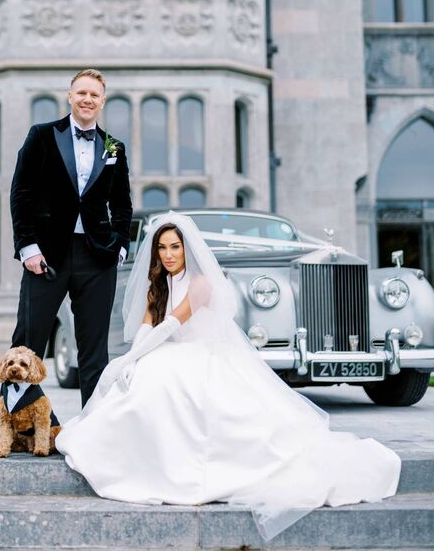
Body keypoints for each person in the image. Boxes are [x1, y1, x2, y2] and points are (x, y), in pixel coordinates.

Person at [55, 212, 401, 541]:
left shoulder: (202, 283)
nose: (169, 254)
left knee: (164, 380)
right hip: (165, 351)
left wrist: (136, 356)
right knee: (138, 378)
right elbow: (149, 325)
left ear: (187, 249)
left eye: (175, 246)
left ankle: (184, 469)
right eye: (162, 247)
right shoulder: (156, 284)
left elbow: (175, 322)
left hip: (203, 353)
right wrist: (130, 360)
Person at [0, 68, 133, 456]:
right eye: (81, 92)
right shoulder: (42, 136)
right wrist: (27, 247)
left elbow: (123, 203)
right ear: (69, 95)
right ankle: (6, 431)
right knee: (27, 346)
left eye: (94, 94)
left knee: (95, 349)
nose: (87, 99)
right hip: (45, 256)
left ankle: (96, 431)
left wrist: (119, 245)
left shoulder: (114, 147)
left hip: (97, 257)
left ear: (102, 100)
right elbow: (21, 193)